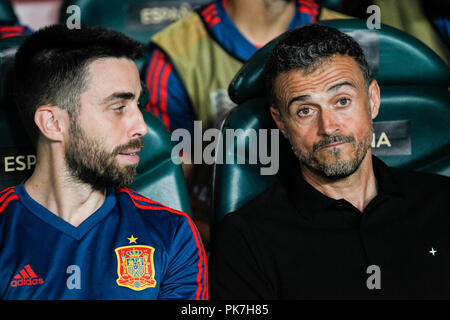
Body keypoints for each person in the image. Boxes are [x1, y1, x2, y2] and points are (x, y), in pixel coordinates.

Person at [209, 24, 450, 299]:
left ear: (372, 100)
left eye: (342, 101)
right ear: (281, 123)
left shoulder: (443, 201)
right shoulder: (247, 239)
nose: (329, 126)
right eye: (305, 110)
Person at [0, 25, 208, 300]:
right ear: (52, 123)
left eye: (138, 105)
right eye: (119, 107)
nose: (142, 127)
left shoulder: (172, 232)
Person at [143, 0, 349, 253]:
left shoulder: (349, 34)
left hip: (339, 231)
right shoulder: (177, 51)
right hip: (229, 242)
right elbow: (168, 198)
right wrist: (232, 242)